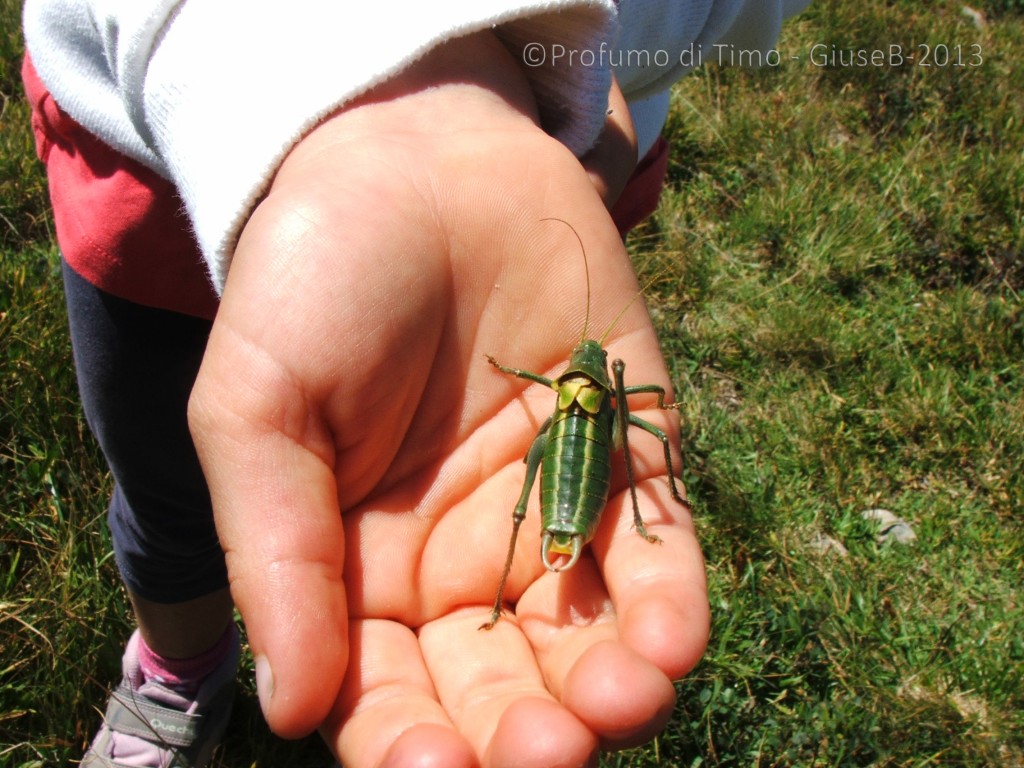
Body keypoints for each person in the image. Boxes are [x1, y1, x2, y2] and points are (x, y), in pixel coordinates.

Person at [22, 1, 808, 765]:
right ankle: (177, 669)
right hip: (144, 194)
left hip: (551, 155)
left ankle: (195, 668)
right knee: (166, 489)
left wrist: (570, 54)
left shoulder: (567, 353)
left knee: (605, 446)